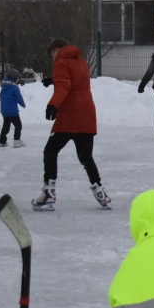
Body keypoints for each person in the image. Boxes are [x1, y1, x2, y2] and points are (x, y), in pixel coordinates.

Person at [33, 39, 110, 211]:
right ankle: (100, 193)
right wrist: (53, 80)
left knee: (50, 151)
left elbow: (64, 87)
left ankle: (48, 193)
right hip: (86, 115)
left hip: (69, 117)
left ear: (58, 49)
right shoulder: (80, 62)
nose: (53, 59)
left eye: (52, 55)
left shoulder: (61, 62)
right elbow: (74, 83)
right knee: (86, 157)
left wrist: (53, 105)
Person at [0, 68, 26, 148]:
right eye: (18, 78)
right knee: (18, 125)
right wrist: (23, 104)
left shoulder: (3, 88)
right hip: (13, 112)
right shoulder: (14, 88)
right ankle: (16, 140)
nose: (18, 80)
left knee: (6, 127)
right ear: (14, 78)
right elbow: (19, 98)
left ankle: (2, 141)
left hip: (5, 112)